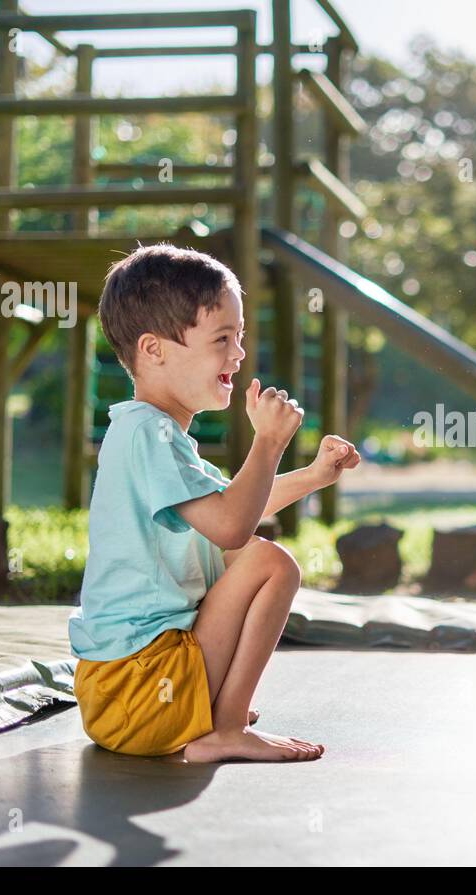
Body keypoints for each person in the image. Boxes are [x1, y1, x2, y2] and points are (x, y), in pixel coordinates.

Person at [69, 243, 360, 763]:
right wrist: (267, 443)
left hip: (124, 695)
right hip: (139, 693)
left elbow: (232, 506)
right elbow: (230, 525)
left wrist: (314, 476)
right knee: (268, 561)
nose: (239, 353)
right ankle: (224, 727)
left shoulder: (151, 433)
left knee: (245, 552)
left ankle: (211, 709)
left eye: (240, 337)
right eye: (222, 339)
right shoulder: (149, 435)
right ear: (154, 350)